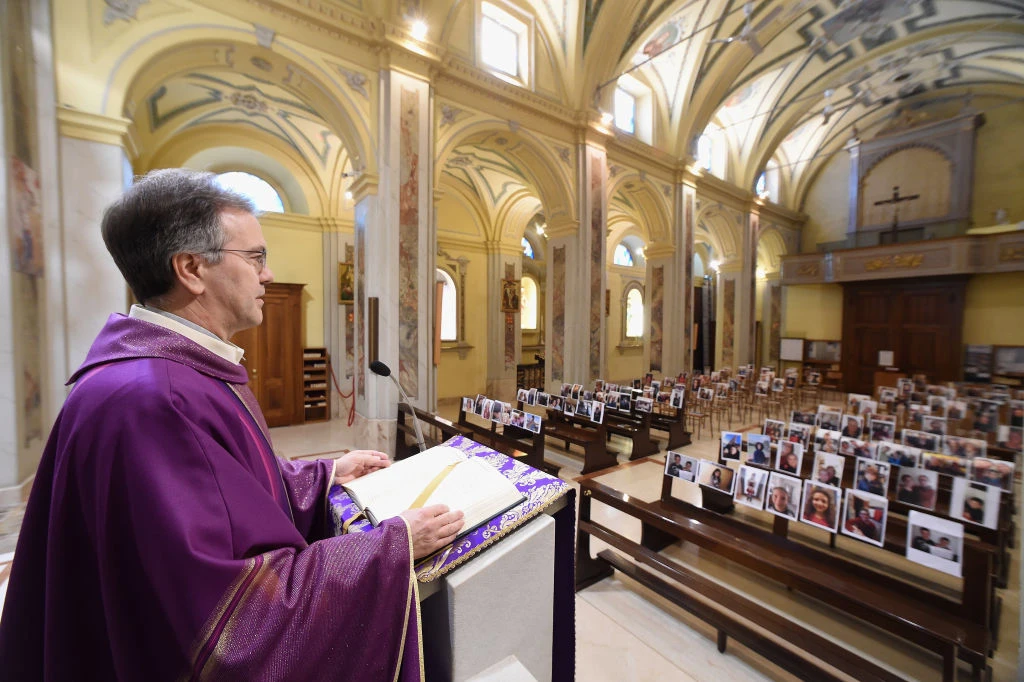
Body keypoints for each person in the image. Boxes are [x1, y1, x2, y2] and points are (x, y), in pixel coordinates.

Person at [0, 170, 464, 680]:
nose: (267, 275)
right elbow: (226, 616)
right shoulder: (153, 400)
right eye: (256, 257)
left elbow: (225, 493)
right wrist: (391, 546)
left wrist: (324, 475)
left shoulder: (174, 373)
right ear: (191, 268)